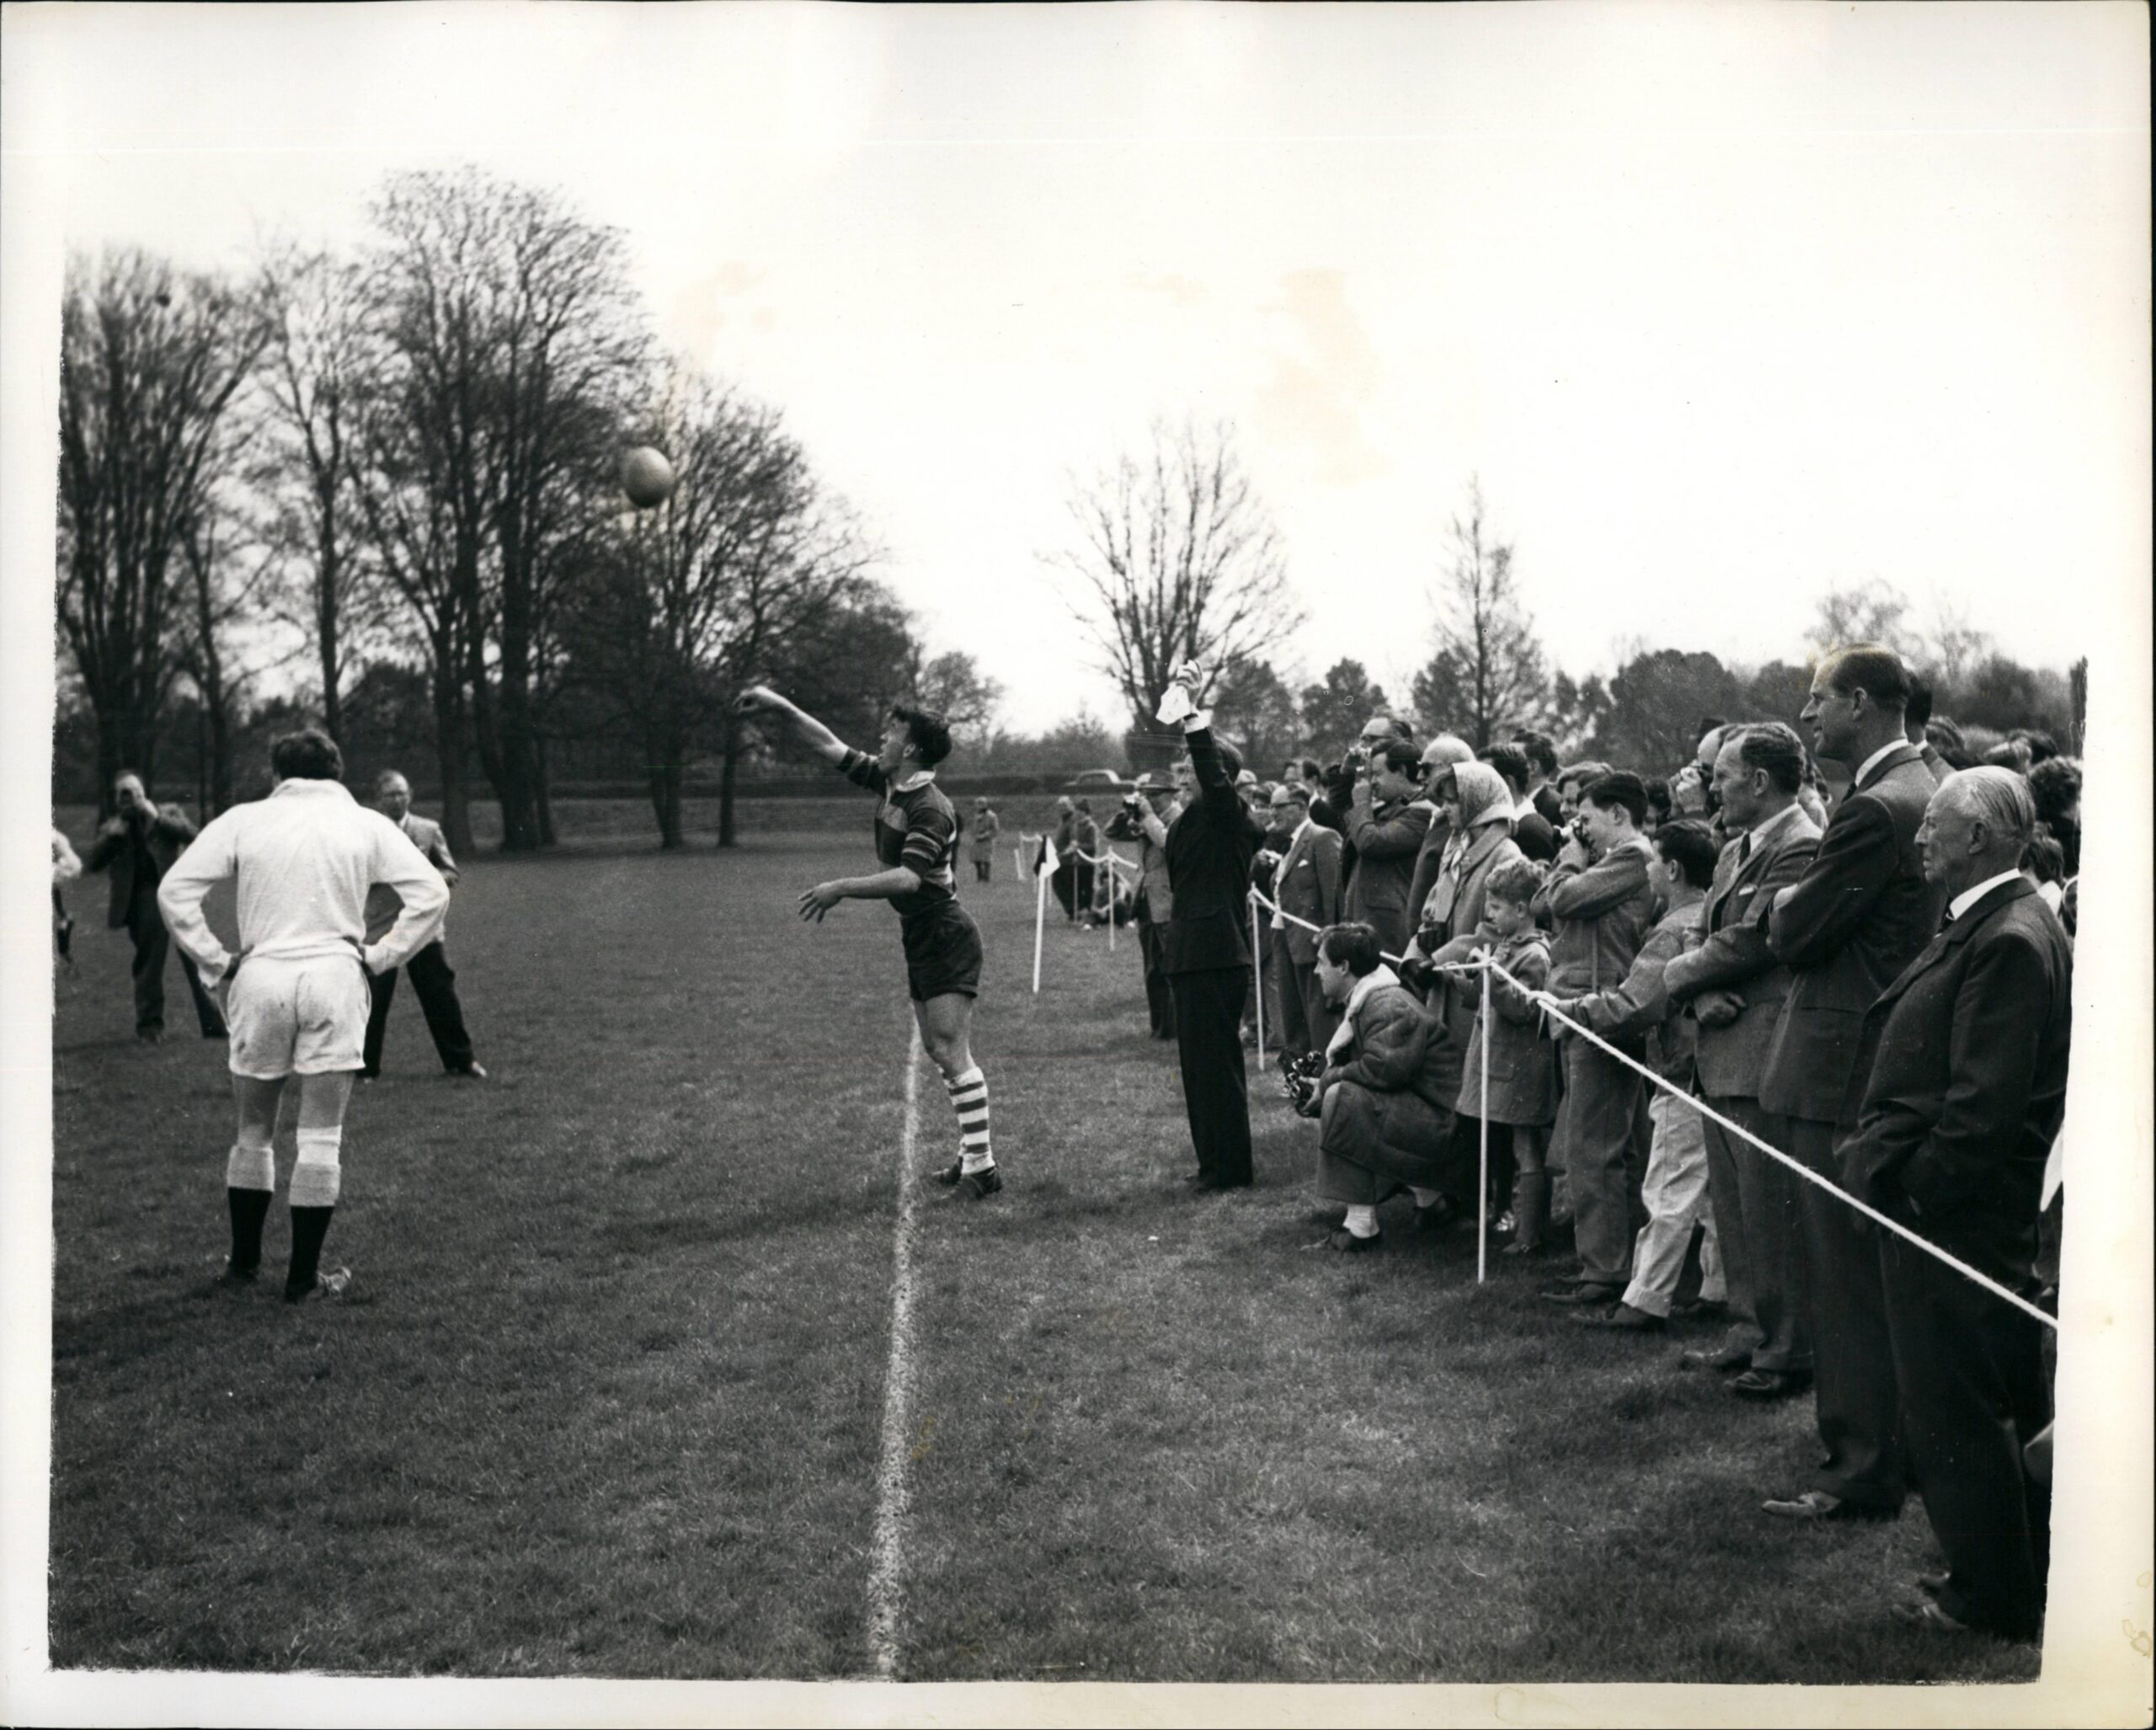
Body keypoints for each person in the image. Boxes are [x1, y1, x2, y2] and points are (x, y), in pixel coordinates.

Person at [1840, 768, 2070, 1640]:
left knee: (1956, 1405)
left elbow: (1982, 1110)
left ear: (1978, 837)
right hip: (1966, 1212)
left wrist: (1913, 1194)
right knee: (1991, 1394)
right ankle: (2013, 1572)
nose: (1920, 836)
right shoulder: (1990, 917)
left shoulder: (2009, 934)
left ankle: (1991, 1596)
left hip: (1958, 1218)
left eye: (1934, 823)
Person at [157, 729, 451, 1302]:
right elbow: (432, 893)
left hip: (260, 979)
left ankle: (243, 1266)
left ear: (276, 774)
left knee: (253, 1131)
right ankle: (302, 1280)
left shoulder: (244, 818)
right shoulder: (366, 822)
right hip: (335, 979)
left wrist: (216, 960)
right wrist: (382, 956)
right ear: (336, 772)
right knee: (320, 1137)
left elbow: (175, 891)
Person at [1758, 643, 1942, 1523]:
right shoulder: (1923, 782)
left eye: (1818, 698)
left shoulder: (1873, 807)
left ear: (1862, 702)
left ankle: (1858, 1468)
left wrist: (1778, 906)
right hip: (1883, 1059)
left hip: (1839, 1064)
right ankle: (1890, 1451)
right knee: (1873, 1275)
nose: (1806, 715)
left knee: (1840, 1277)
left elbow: (1794, 931)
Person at [735, 685, 1002, 1199]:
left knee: (951, 1048)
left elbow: (908, 879)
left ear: (912, 750)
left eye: (893, 731)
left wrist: (838, 888)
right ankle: (976, 1158)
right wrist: (782, 705)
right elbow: (827, 744)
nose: (882, 737)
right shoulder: (890, 782)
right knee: (938, 1049)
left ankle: (983, 1168)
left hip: (945, 933)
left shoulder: (931, 806)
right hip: (922, 933)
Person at [1661, 723, 1822, 1395]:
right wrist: (1695, 1001)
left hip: (1762, 1053)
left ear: (1759, 781)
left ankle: (1785, 1352)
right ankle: (1750, 1333)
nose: (1711, 787)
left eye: (1722, 776)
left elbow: (1752, 942)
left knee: (1769, 1211)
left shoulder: (1802, 846)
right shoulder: (1733, 851)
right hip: (1721, 1046)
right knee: (1735, 1211)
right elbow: (1706, 933)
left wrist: (1672, 981)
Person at [1548, 820, 1721, 1333]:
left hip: (1679, 1075)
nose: (1646, 868)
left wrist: (1572, 1010)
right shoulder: (1705, 913)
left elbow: (1637, 1003)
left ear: (1671, 869)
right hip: (1709, 1073)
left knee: (1668, 1190)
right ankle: (1717, 1290)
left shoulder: (1672, 930)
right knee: (1711, 1196)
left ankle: (1644, 1301)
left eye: (1652, 861)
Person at [1532, 771, 1658, 1306]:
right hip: (1585, 1012)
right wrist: (1574, 859)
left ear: (1618, 815)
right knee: (1615, 1146)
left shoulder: (1631, 858)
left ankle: (1603, 1270)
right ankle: (1619, 1261)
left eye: (1585, 819)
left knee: (1592, 1148)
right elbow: (1543, 901)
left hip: (1602, 1016)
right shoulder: (1608, 860)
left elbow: (1562, 900)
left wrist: (1568, 854)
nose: (1578, 830)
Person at [1156, 661, 1266, 1192]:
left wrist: (1192, 713)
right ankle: (1211, 1164)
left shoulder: (1231, 815)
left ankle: (1231, 1168)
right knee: (1197, 1069)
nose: (1181, 780)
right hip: (1189, 953)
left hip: (1217, 953)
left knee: (1218, 1068)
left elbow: (1211, 769)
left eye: (1188, 773)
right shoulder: (1188, 821)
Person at [1303, 923, 1459, 1250]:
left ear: (1344, 967)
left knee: (1343, 1099)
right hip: (1436, 1119)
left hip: (1450, 1135)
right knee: (1343, 1096)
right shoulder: (1372, 998)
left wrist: (1327, 1083)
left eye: (1321, 962)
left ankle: (1361, 1229)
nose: (1316, 970)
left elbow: (1383, 1071)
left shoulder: (1388, 1004)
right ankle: (1431, 1202)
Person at [1450, 858, 1561, 1254]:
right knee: (1514, 1145)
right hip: (1499, 1062)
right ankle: (1515, 1220)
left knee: (1526, 1145)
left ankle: (1530, 1233)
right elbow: (1493, 1000)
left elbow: (1525, 1009)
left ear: (1522, 910)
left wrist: (1491, 982)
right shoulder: (1506, 946)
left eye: (1496, 907)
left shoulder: (1534, 955)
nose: (1488, 914)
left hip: (1520, 1068)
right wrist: (1468, 985)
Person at [360, 772, 485, 1081]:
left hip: (424, 929)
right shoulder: (366, 835)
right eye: (390, 794)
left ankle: (461, 1062)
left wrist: (426, 877)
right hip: (379, 930)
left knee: (440, 995)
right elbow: (355, 876)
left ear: (411, 794)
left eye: (402, 793)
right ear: (379, 799)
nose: (397, 799)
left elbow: (450, 871)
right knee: (372, 1001)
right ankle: (364, 1069)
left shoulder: (428, 830)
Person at [85, 770, 227, 1044]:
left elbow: (195, 836)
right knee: (149, 965)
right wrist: (112, 837)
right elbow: (92, 863)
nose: (131, 799)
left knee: (197, 959)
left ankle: (214, 1026)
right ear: (117, 800)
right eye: (124, 795)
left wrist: (157, 818)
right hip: (143, 900)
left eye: (135, 792)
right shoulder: (114, 826)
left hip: (178, 896)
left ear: (144, 792)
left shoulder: (168, 812)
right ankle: (150, 1028)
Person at [1266, 779, 1345, 1056]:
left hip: (1313, 944)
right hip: (1285, 938)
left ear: (1300, 807)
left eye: (1279, 807)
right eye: (1270, 806)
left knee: (1317, 1018)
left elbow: (1334, 895)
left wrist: (1329, 939)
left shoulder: (1322, 837)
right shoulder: (1288, 843)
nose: (1271, 813)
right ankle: (1300, 1077)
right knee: (1292, 1015)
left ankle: (1322, 1077)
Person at [1342, 739, 1434, 961]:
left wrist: (1362, 804)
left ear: (1402, 771)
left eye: (1377, 774)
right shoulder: (1393, 806)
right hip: (1369, 922)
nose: (1372, 782)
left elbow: (1371, 842)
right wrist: (1346, 773)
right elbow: (1341, 807)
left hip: (1388, 930)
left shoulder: (1422, 812)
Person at [1110, 776, 1182, 1039]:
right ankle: (1159, 1025)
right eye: (1146, 794)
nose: (1149, 799)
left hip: (1166, 899)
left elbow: (1167, 843)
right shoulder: (1145, 817)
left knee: (1170, 965)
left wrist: (1149, 817)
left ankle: (1174, 1026)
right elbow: (1111, 833)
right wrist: (1127, 812)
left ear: (1169, 794)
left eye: (1153, 794)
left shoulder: (1177, 816)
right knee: (1152, 967)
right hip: (1145, 901)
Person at [1404, 734, 1476, 921]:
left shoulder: (1466, 824)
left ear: (1453, 770)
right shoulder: (1440, 818)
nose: (1419, 776)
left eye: (1426, 769)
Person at [1484, 742, 1558, 863]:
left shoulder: (1529, 833)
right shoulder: (1517, 827)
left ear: (1507, 783)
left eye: (1485, 781)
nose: (1476, 789)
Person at [1511, 730, 1565, 828]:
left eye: (1510, 759)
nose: (1502, 765)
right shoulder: (1511, 803)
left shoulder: (1555, 808)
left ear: (1533, 767)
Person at [52, 826, 83, 967]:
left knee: (64, 917)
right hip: (66, 869)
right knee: (64, 916)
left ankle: (64, 952)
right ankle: (64, 952)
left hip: (65, 869)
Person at [1048, 798, 1079, 920]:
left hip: (1068, 861)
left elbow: (1074, 841)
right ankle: (1071, 911)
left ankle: (1073, 911)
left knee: (1064, 886)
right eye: (1060, 806)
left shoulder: (1072, 821)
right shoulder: (1063, 821)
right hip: (1059, 860)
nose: (1062, 808)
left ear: (1071, 805)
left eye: (1065, 805)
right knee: (1058, 885)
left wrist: (1064, 854)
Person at [968, 798, 1001, 883]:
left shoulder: (991, 816)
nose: (978, 806)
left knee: (986, 859)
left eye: (980, 804)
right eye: (977, 804)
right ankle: (980, 876)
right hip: (976, 840)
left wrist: (985, 835)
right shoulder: (976, 815)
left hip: (987, 841)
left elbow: (995, 829)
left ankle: (986, 877)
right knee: (976, 859)